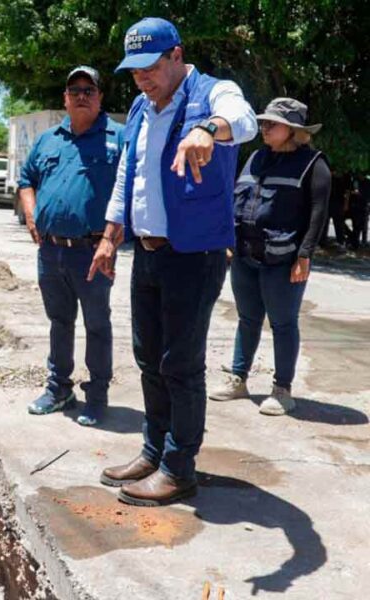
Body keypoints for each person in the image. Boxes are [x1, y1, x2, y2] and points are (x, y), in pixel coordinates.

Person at [89, 17, 258, 506]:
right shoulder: (143, 107)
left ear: (176, 55)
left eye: (150, 67)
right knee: (148, 359)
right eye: (134, 70)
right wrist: (109, 233)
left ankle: (179, 466)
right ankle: (153, 451)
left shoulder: (212, 93)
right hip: (147, 252)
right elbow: (130, 175)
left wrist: (209, 129)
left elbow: (243, 119)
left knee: (180, 364)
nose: (141, 78)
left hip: (195, 253)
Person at [210, 98, 331, 415]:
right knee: (247, 319)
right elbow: (236, 199)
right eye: (262, 122)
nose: (263, 127)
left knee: (283, 323)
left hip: (284, 260)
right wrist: (228, 241)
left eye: (271, 124)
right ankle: (239, 379)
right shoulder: (255, 158)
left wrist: (304, 254)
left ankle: (282, 389)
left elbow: (318, 214)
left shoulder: (313, 163)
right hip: (245, 254)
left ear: (292, 130)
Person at [18, 66, 124, 427]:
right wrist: (31, 216)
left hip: (93, 251)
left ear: (99, 97)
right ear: (64, 98)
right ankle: (59, 388)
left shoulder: (118, 138)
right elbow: (26, 179)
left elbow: (131, 192)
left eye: (88, 90)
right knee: (59, 322)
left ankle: (97, 397)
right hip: (50, 251)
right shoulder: (49, 139)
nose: (81, 95)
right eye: (74, 89)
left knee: (97, 325)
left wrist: (111, 239)